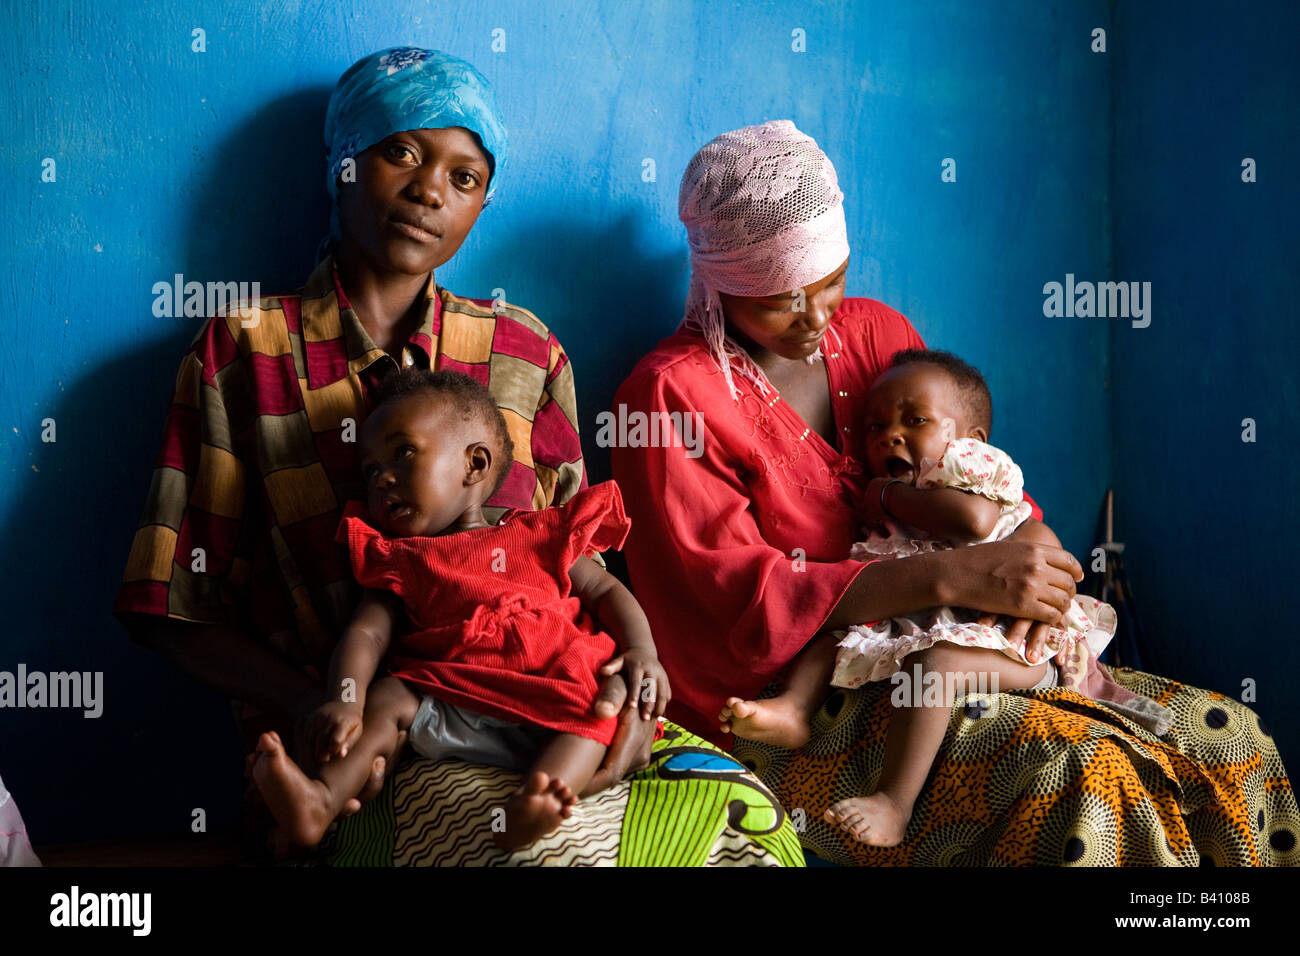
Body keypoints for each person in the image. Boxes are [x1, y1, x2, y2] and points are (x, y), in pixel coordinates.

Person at [611, 119, 1297, 865]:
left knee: (1226, 734)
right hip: (806, 693)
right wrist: (948, 575)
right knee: (1083, 775)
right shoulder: (669, 398)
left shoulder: (875, 336)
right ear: (723, 280)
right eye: (779, 301)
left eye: (832, 283)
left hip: (970, 635)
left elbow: (981, 477)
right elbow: (728, 598)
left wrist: (1040, 574)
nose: (815, 319)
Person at [113, 46, 655, 840]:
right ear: (343, 163)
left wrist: (624, 700)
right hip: (365, 751)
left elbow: (583, 574)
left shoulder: (527, 352)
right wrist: (324, 705)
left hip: (550, 713)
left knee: (744, 838)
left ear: (480, 206)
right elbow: (166, 604)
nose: (430, 188)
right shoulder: (246, 348)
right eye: (400, 151)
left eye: (464, 178)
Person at [719, 348, 1167, 846]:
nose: (890, 435)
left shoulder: (977, 482)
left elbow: (974, 524)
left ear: (971, 445)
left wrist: (886, 494)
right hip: (940, 625)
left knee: (934, 666)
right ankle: (795, 710)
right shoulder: (903, 516)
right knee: (834, 629)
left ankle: (895, 802)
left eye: (915, 420)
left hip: (1018, 648)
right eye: (874, 427)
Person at [252, 368, 669, 850]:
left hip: (556, 688)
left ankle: (537, 802)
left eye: (402, 453)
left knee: (600, 702)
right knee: (388, 697)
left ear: (474, 464)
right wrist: (346, 698)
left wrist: (643, 651)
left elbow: (605, 590)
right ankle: (319, 802)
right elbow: (365, 636)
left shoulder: (537, 534)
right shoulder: (402, 559)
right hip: (456, 698)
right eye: (370, 471)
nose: (382, 478)